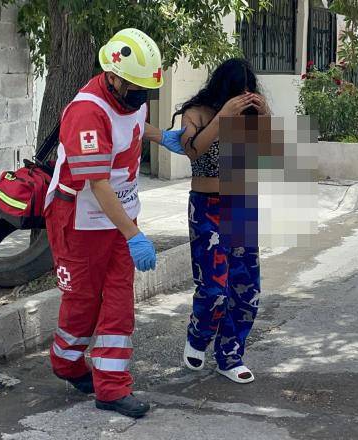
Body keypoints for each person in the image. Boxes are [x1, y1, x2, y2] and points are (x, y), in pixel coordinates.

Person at [43, 28, 184, 418]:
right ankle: (66, 362)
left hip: (120, 219)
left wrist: (161, 136)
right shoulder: (87, 112)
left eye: (146, 89)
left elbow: (134, 124)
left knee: (120, 301)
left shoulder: (130, 97)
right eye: (136, 88)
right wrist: (134, 234)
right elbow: (98, 184)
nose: (142, 95)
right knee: (83, 301)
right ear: (113, 76)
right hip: (80, 221)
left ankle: (110, 387)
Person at [172, 58, 269, 384]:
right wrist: (223, 117)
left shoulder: (249, 115)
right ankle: (198, 335)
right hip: (207, 206)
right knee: (214, 288)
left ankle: (230, 356)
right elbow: (192, 150)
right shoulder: (196, 113)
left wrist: (263, 116)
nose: (242, 99)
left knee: (246, 289)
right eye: (236, 93)